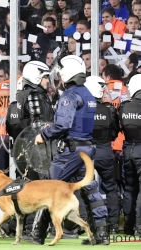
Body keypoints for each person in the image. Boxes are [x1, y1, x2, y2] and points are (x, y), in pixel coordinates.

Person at [34, 55, 109, 245]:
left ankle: (37, 234)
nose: (58, 76)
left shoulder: (70, 96)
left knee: (48, 189)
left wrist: (43, 135)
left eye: (60, 72)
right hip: (86, 148)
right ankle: (101, 234)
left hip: (71, 151)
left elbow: (62, 125)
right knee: (91, 191)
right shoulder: (88, 95)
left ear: (67, 73)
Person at [14, 61, 55, 243]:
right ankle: (36, 228)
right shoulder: (33, 95)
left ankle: (31, 226)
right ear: (37, 76)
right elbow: (39, 123)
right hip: (38, 146)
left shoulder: (29, 93)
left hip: (30, 144)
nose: (48, 81)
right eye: (45, 77)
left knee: (33, 186)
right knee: (42, 186)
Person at [84, 76, 121, 234]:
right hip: (105, 151)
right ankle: (112, 225)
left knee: (87, 189)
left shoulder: (83, 108)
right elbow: (114, 133)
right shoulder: (109, 109)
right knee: (111, 188)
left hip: (87, 152)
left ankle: (90, 224)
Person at [118, 73, 141, 236]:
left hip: (128, 150)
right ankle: (140, 226)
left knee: (129, 189)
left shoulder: (124, 106)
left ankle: (128, 226)